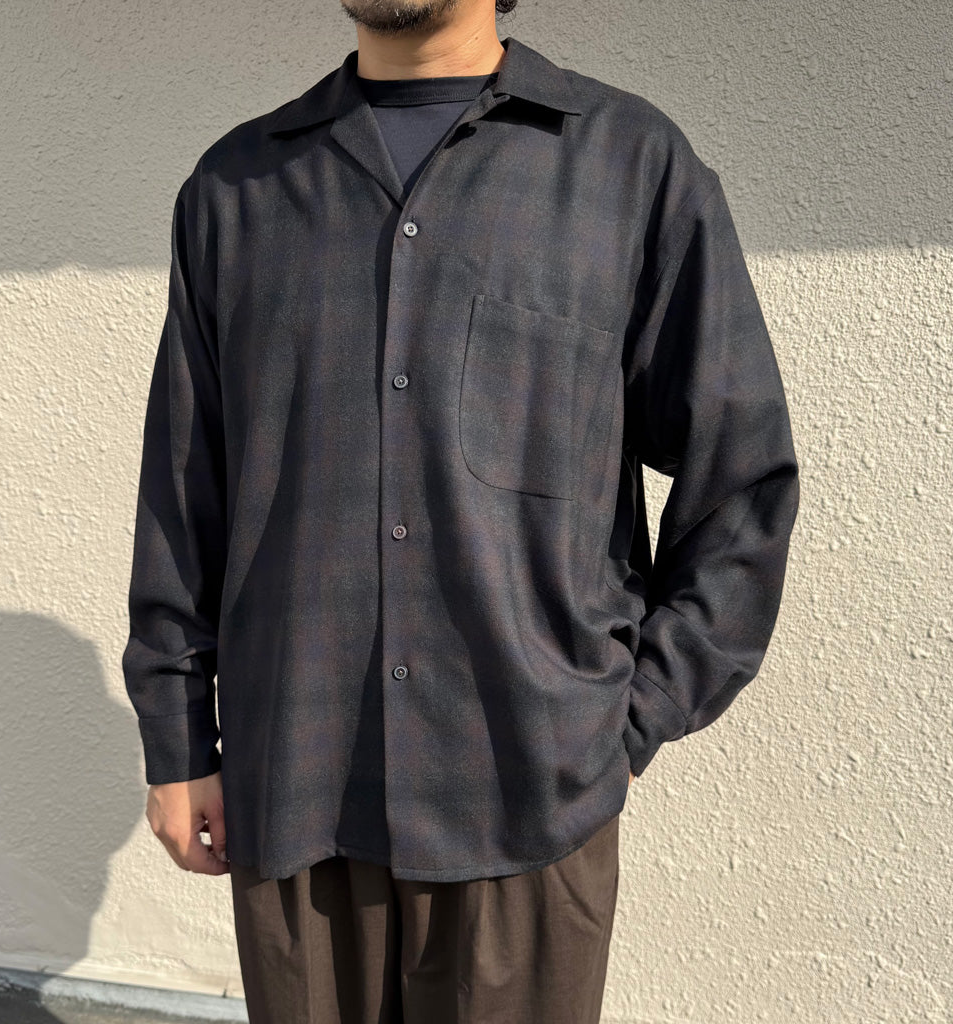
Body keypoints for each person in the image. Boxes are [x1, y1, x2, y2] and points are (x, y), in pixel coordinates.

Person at [121, 0, 800, 1020]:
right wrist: (178, 737)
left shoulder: (629, 168)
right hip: (297, 780)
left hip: (526, 792)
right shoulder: (236, 188)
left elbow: (740, 476)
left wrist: (631, 716)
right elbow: (185, 486)